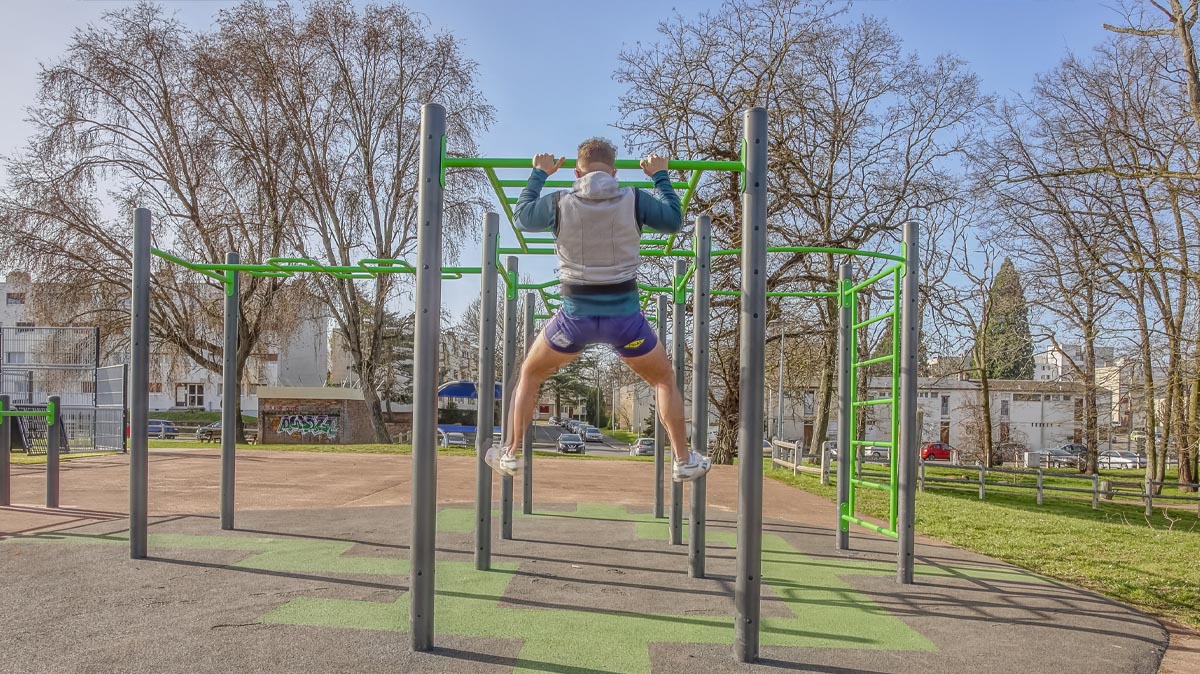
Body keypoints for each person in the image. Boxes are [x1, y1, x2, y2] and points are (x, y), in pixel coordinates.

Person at [485, 138, 711, 482]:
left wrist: (539, 174)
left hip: (574, 322)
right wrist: (660, 177)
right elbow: (673, 220)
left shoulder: (561, 202)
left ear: (577, 171)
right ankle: (683, 460)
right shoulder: (634, 199)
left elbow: (523, 217)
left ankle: (511, 453)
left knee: (529, 375)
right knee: (664, 380)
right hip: (627, 324)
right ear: (615, 171)